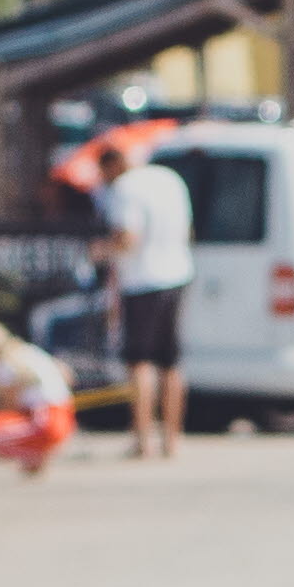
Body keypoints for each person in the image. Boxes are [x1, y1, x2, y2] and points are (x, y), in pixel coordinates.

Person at [101, 135, 194, 458]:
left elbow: (129, 237)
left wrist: (100, 252)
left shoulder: (126, 188)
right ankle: (172, 439)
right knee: (171, 361)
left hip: (142, 280)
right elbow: (188, 232)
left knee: (140, 362)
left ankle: (143, 439)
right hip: (178, 274)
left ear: (112, 164)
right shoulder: (171, 180)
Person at [0, 320, 73, 477]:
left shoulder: (4, 364)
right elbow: (66, 373)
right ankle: (36, 455)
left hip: (46, 420)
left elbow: (10, 405)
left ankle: (34, 456)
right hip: (65, 414)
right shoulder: (26, 350)